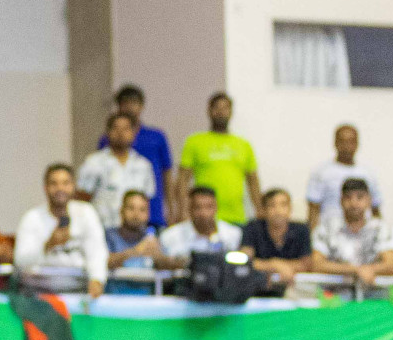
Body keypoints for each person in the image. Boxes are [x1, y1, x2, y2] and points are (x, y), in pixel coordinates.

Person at [14, 163, 109, 297]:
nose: (60, 188)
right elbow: (21, 260)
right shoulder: (32, 218)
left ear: (73, 186)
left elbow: (97, 251)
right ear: (45, 188)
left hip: (79, 292)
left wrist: (97, 279)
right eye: (54, 183)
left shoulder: (86, 213)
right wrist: (48, 245)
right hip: (39, 295)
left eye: (65, 183)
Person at [177, 92, 260, 226]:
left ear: (231, 112)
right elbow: (182, 180)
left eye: (225, 108)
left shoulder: (244, 145)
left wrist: (260, 210)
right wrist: (182, 211)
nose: (221, 112)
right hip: (203, 217)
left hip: (237, 217)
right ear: (209, 111)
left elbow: (253, 182)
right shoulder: (194, 142)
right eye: (217, 108)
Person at [97, 85, 174, 227]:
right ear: (118, 106)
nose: (130, 108)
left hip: (152, 211)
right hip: (113, 216)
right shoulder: (108, 139)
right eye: (125, 103)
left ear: (141, 106)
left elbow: (167, 174)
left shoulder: (156, 136)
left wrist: (172, 209)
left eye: (134, 103)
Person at [78, 113, 157, 231]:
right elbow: (82, 199)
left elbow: (146, 200)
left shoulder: (143, 165)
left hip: (135, 233)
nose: (120, 133)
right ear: (108, 132)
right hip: (102, 229)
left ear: (134, 133)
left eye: (125, 129)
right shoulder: (94, 162)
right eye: (116, 128)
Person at [305, 124, 382, 230]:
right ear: (335, 143)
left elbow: (375, 210)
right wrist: (312, 237)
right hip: (329, 234)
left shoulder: (368, 174)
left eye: (351, 141)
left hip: (363, 236)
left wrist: (380, 233)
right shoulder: (321, 172)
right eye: (342, 141)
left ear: (357, 144)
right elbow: (313, 209)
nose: (347, 146)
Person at [312, 178, 388, 285]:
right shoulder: (326, 227)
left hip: (372, 294)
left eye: (359, 197)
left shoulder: (379, 227)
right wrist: (356, 270)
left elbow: (391, 264)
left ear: (369, 200)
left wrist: (370, 270)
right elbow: (317, 264)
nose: (354, 203)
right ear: (341, 201)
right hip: (335, 296)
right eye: (348, 197)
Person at [239, 189, 313, 286]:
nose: (278, 211)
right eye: (272, 205)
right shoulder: (252, 228)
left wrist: (281, 266)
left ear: (290, 208)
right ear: (264, 210)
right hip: (258, 286)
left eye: (283, 205)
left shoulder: (301, 229)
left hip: (295, 285)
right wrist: (274, 264)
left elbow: (307, 264)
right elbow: (245, 260)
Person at [158, 186, 243, 263]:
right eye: (198, 207)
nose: (204, 213)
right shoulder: (170, 236)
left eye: (209, 207)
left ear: (216, 207)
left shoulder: (234, 234)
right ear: (189, 209)